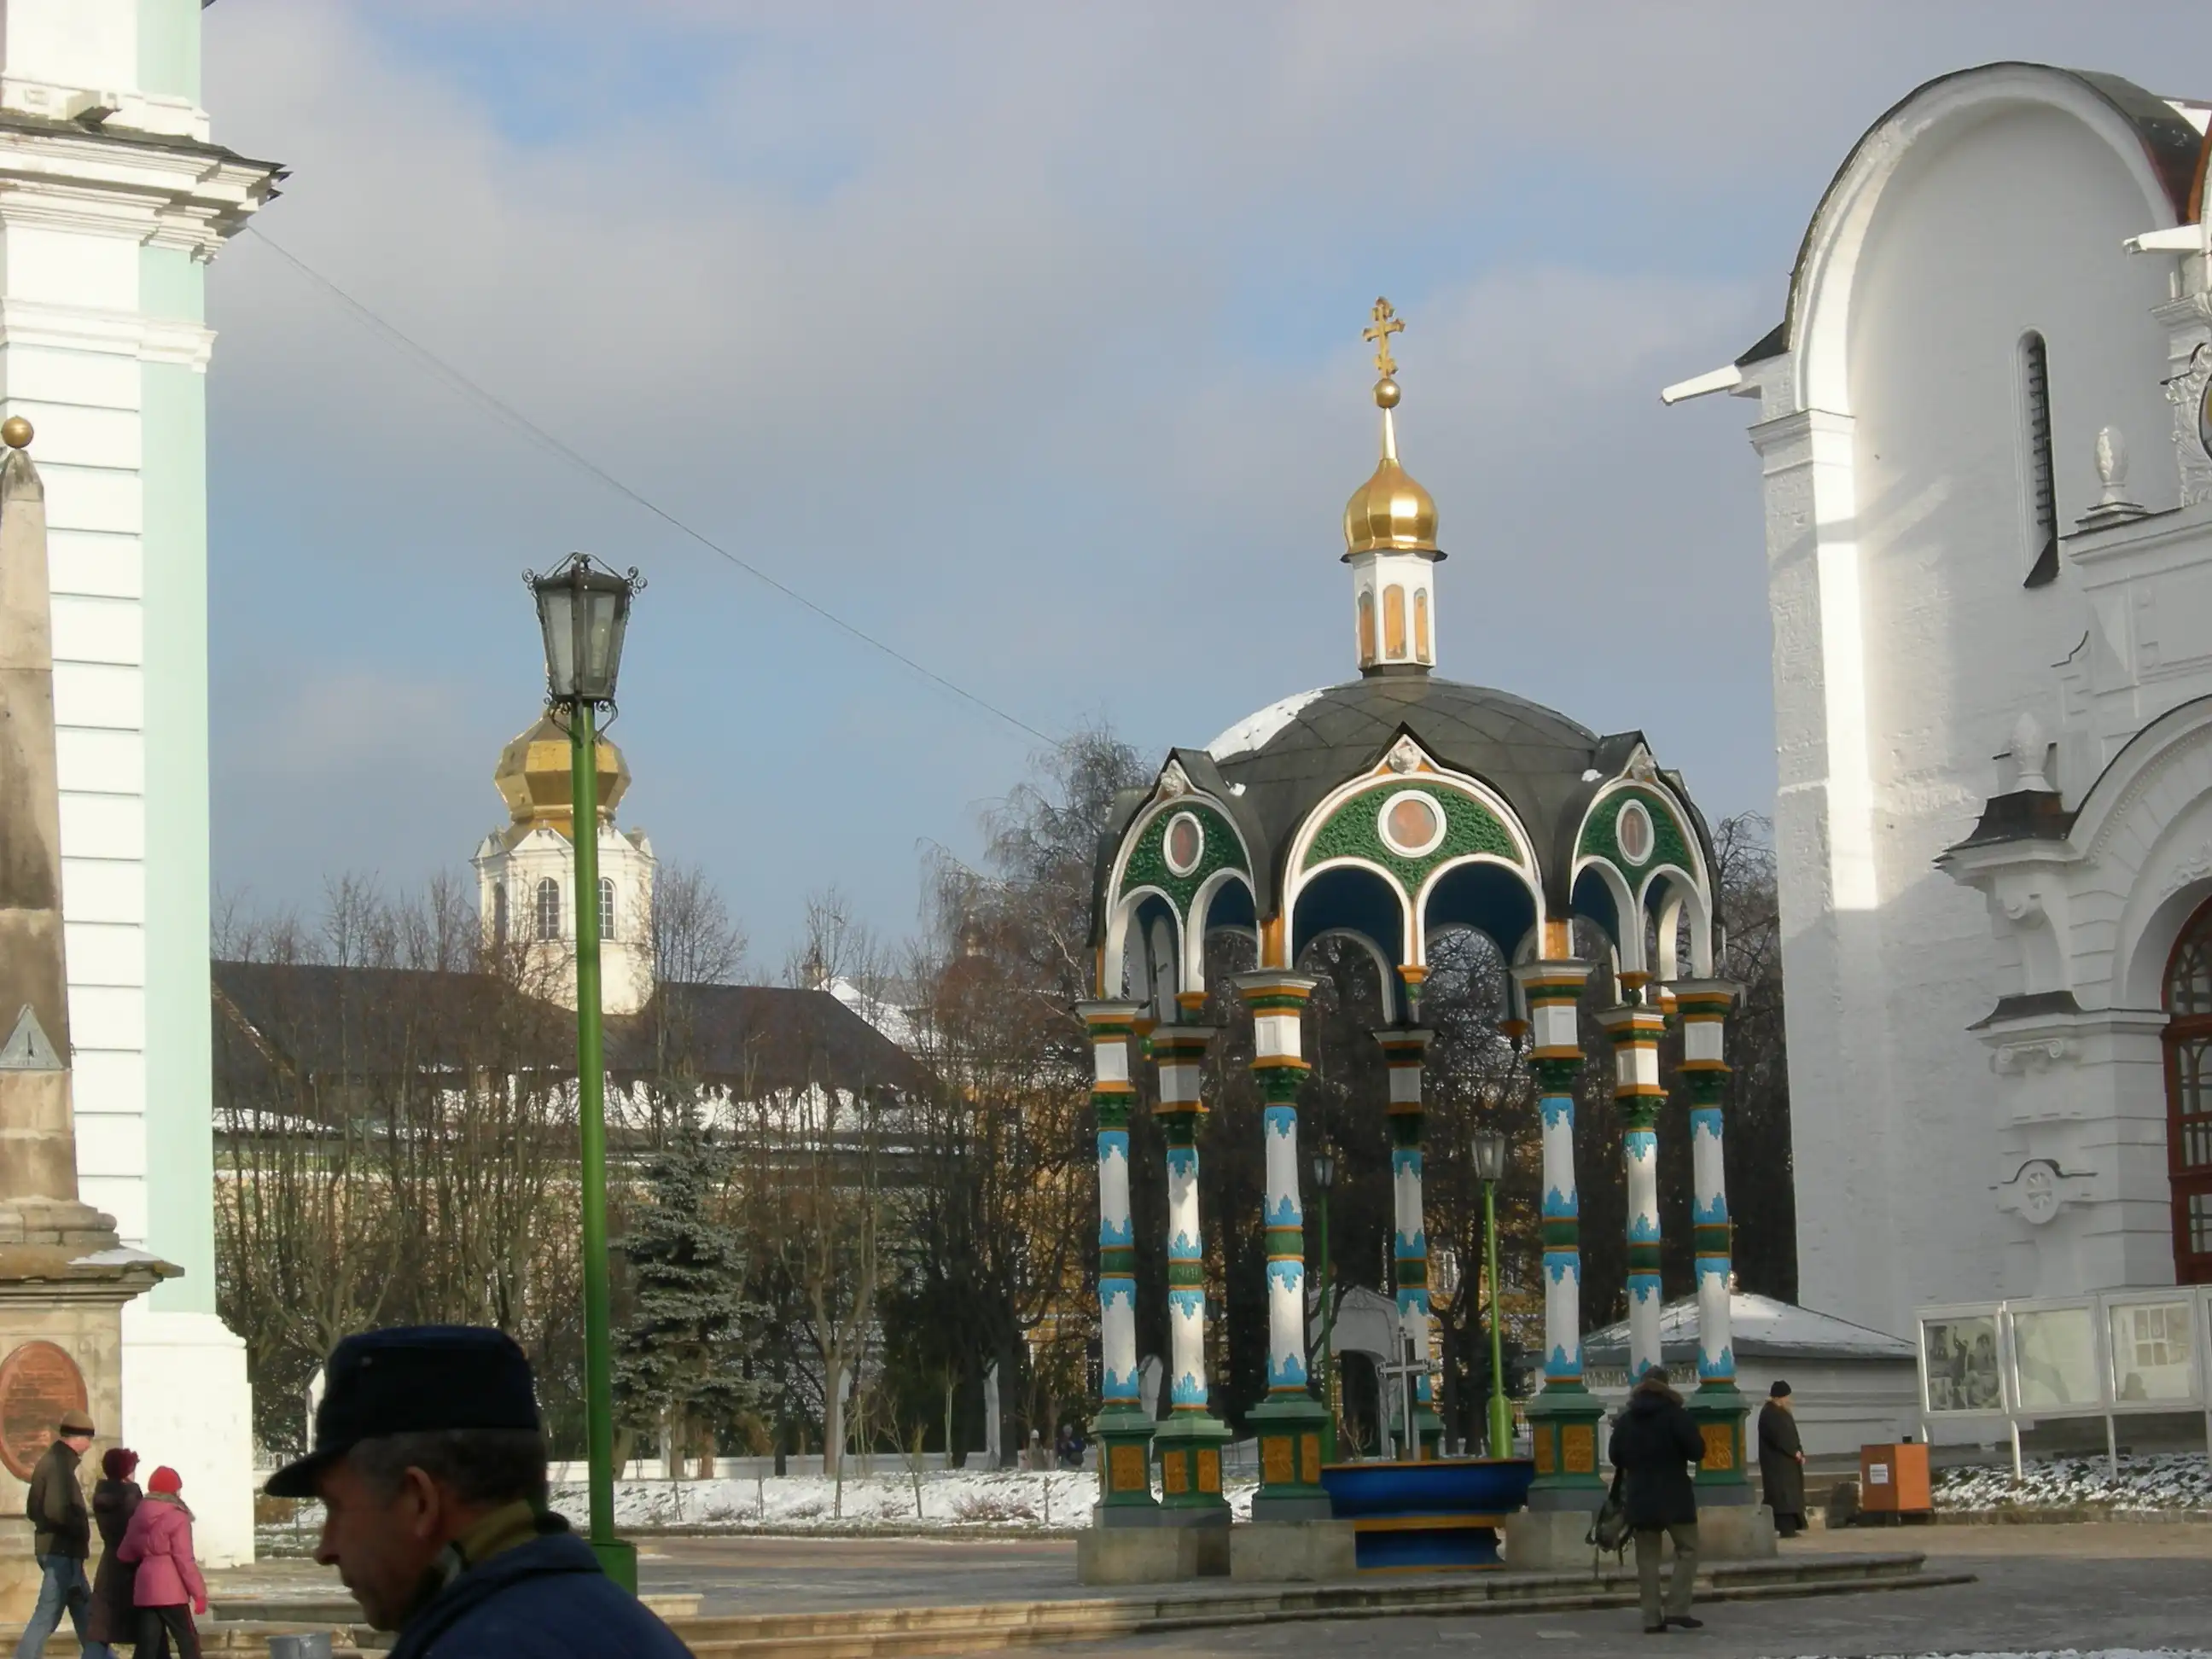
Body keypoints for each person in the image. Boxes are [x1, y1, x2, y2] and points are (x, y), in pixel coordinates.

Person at [264, 1325, 691, 1659]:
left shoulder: (480, 1647)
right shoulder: (612, 1621)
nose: (325, 1549)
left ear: (419, 1502)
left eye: (335, 1507)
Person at [1607, 1367, 1705, 1635]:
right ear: (1666, 1386)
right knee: (1688, 1549)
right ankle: (1677, 1608)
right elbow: (1697, 1451)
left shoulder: (1627, 1419)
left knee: (1647, 1559)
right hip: (1675, 1496)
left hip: (1641, 1496)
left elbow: (1615, 1456)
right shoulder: (1677, 1415)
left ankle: (1651, 1618)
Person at [15, 1408, 109, 1659]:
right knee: (47, 1615)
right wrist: (79, 1529)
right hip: (62, 1553)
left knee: (84, 1612)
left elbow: (34, 1509)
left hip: (62, 1552)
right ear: (78, 1438)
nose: (89, 1445)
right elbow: (57, 1510)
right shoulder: (58, 1466)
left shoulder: (54, 1462)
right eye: (88, 1439)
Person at [115, 1466, 206, 1659]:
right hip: (172, 1589)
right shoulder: (178, 1516)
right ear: (174, 1490)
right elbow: (184, 1559)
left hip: (145, 1589)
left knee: (149, 1645)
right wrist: (199, 1594)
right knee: (187, 1639)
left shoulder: (139, 1514)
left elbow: (124, 1554)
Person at [84, 1447, 143, 1654]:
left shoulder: (101, 1495)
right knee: (147, 1629)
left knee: (101, 1629)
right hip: (132, 1566)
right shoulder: (131, 1495)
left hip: (110, 1563)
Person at [1757, 1381, 1807, 1539]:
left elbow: (1793, 1436)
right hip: (1777, 1463)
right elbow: (1779, 1437)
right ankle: (1785, 1528)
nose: (1789, 1400)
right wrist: (1794, 1452)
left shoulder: (1783, 1412)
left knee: (1789, 1495)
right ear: (1779, 1397)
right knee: (1781, 1496)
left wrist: (1799, 1451)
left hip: (1788, 1462)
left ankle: (1791, 1526)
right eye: (1787, 1397)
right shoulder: (1769, 1414)